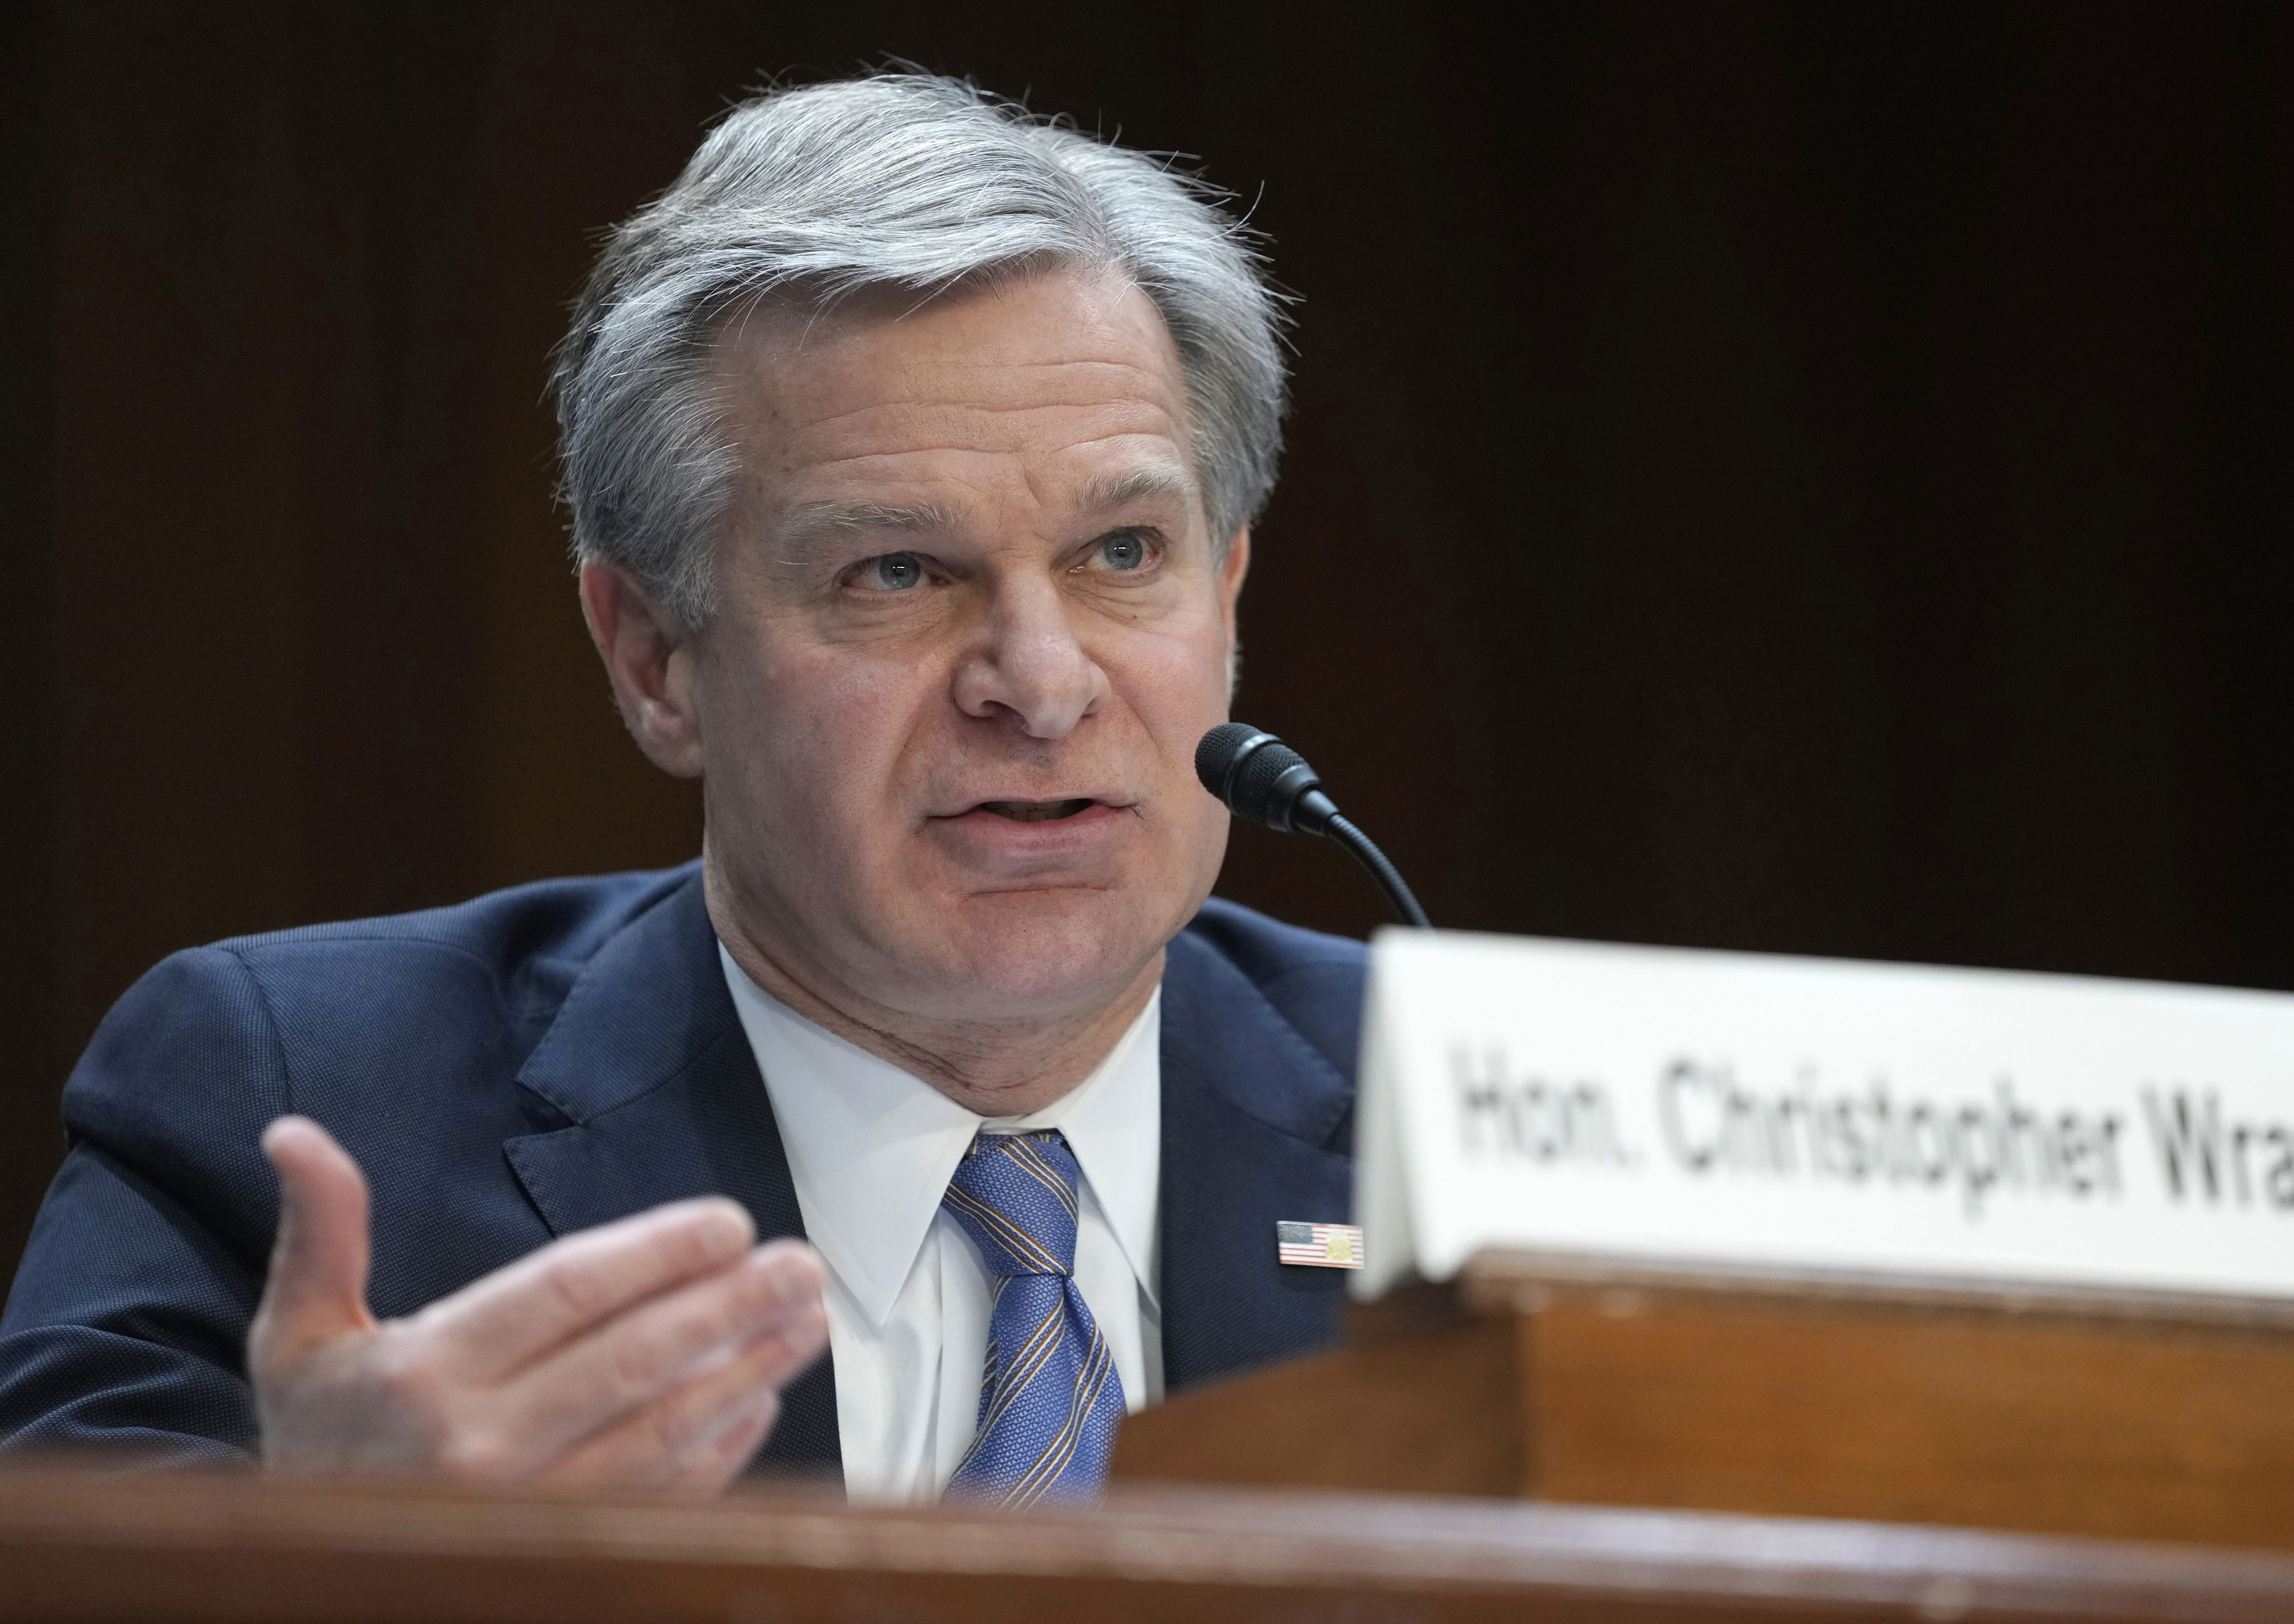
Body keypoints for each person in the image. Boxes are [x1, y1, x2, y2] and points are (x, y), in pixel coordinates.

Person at [0, 74, 1363, 1506]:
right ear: (653, 658)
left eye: (1123, 554)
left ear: (1227, 591)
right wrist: (331, 1565)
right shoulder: (307, 1104)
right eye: (894, 571)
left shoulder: (1489, 1116)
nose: (1040, 680)